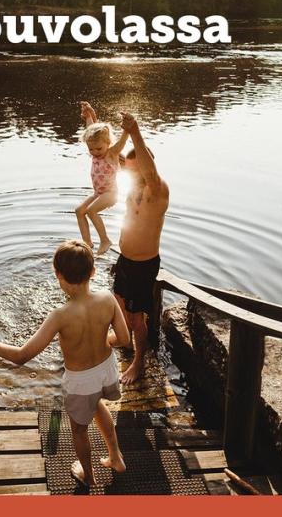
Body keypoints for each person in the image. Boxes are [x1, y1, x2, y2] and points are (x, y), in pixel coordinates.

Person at [0, 240, 130, 487]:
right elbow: (123, 339)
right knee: (98, 403)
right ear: (93, 271)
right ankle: (115, 457)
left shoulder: (60, 316)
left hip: (80, 382)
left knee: (79, 430)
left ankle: (88, 476)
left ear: (58, 275)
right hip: (106, 370)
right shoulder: (108, 299)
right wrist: (102, 339)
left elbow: (21, 356)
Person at [113, 111, 169, 384]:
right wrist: (91, 121)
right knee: (121, 306)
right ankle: (125, 342)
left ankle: (139, 363)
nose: (131, 175)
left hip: (142, 265)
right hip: (125, 260)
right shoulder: (133, 183)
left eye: (138, 172)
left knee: (137, 320)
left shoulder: (156, 190)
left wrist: (135, 130)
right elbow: (112, 155)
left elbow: (148, 170)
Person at [76, 101, 128, 255]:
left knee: (92, 211)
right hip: (98, 193)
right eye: (91, 149)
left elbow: (122, 142)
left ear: (108, 143)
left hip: (110, 193)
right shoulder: (95, 147)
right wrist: (89, 114)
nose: (95, 152)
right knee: (79, 211)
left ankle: (105, 240)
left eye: (98, 148)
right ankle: (87, 242)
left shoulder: (111, 154)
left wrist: (126, 129)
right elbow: (91, 129)